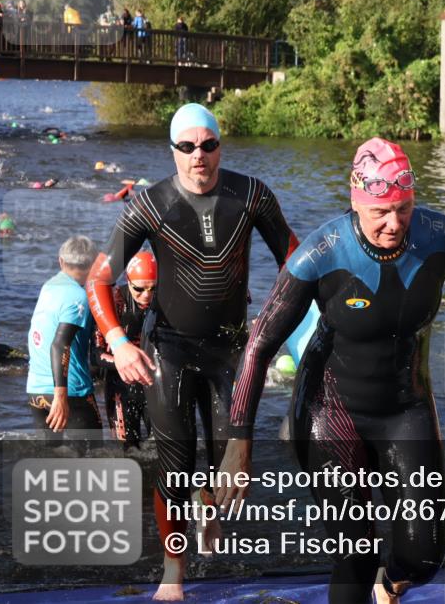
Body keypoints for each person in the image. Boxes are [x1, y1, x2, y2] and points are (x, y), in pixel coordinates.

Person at [219, 138, 445, 604]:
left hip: (406, 405)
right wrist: (239, 443)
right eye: (380, 212)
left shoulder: (444, 237)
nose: (394, 224)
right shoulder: (321, 252)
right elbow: (259, 345)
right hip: (330, 409)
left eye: (404, 209)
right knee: (355, 549)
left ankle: (389, 585)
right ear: (357, 203)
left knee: (424, 555)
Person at [86, 103, 299, 601]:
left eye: (208, 144)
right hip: (171, 351)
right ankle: (172, 573)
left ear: (220, 146)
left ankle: (209, 504)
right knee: (174, 467)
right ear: (173, 151)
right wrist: (119, 342)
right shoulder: (150, 204)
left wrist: (314, 317)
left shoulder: (251, 196)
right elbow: (99, 279)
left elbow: (296, 262)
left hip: (230, 351)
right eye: (187, 146)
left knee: (231, 470)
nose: (198, 156)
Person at [26, 236, 101, 441]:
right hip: (70, 392)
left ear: (61, 261)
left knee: (53, 460)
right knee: (92, 458)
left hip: (35, 390)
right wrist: (60, 396)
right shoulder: (79, 296)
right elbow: (60, 344)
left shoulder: (48, 287)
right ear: (94, 264)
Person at [92, 251, 156, 453]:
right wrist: (125, 363)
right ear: (128, 281)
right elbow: (95, 354)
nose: (146, 295)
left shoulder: (165, 300)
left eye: (152, 288)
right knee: (127, 451)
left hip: (153, 383)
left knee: (163, 447)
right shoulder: (114, 302)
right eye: (139, 289)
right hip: (120, 386)